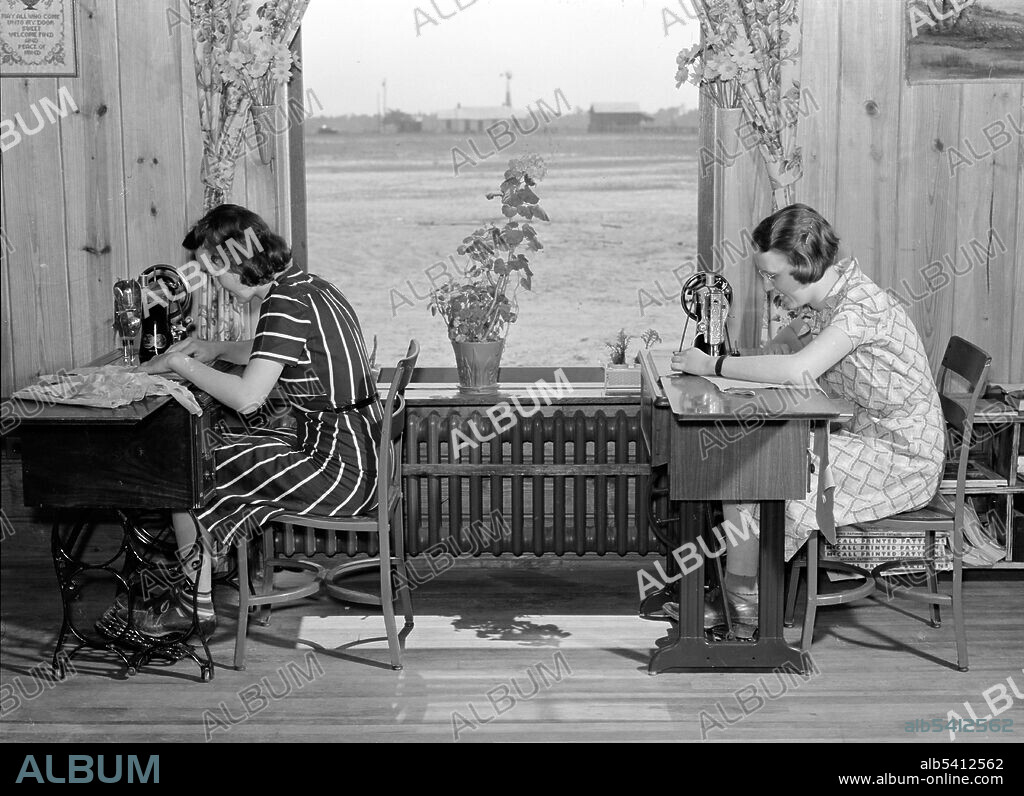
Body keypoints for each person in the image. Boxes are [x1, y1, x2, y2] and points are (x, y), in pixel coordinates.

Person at [98, 204, 381, 640]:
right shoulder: (308, 288)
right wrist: (214, 348)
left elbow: (249, 398)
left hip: (338, 470)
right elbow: (270, 349)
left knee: (185, 468)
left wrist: (178, 362)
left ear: (237, 261)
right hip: (358, 453)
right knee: (216, 451)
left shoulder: (285, 303)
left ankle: (193, 603)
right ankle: (211, 560)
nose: (217, 283)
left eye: (216, 270)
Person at [667, 203, 945, 627]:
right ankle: (741, 592)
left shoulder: (860, 307)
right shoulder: (822, 306)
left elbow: (798, 369)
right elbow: (779, 352)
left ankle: (745, 601)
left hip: (901, 457)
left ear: (805, 263)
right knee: (746, 464)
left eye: (773, 276)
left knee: (754, 470)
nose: (768, 286)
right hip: (863, 438)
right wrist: (743, 359)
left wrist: (712, 367)